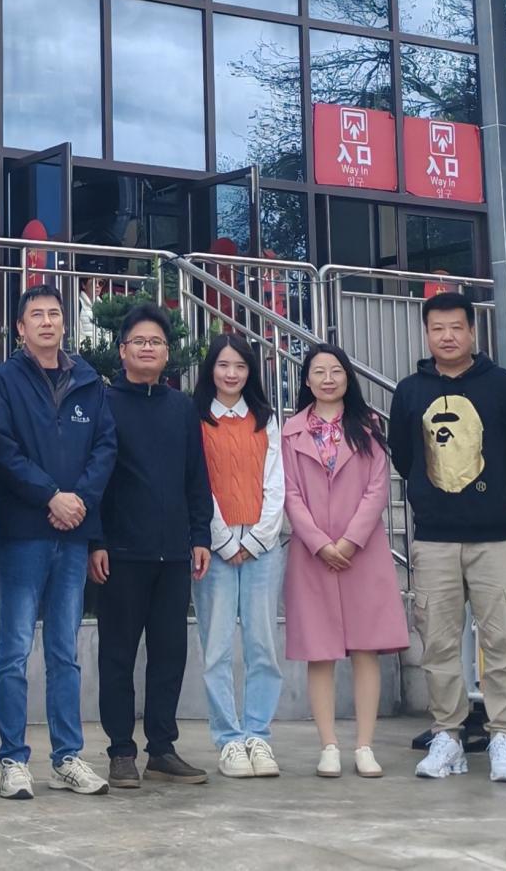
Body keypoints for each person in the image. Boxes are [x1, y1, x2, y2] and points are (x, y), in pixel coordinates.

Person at [387, 292, 506, 785]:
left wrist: (499, 500)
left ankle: (503, 737)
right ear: (426, 334)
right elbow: (403, 455)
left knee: (501, 640)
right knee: (438, 643)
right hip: (435, 539)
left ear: (472, 331)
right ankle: (448, 737)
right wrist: (432, 498)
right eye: (438, 329)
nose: (447, 337)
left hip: (494, 539)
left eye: (456, 327)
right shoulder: (410, 391)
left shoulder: (503, 387)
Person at [0, 283, 118, 799]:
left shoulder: (89, 380)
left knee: (66, 650)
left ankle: (67, 757)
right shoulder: (2, 380)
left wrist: (79, 500)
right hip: (23, 532)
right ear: (20, 328)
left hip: (74, 533)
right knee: (14, 649)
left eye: (54, 314)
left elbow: (105, 447)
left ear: (65, 323)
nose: (46, 322)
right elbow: (3, 450)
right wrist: (51, 497)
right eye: (36, 315)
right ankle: (12, 759)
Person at [91, 303, 213, 787]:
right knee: (117, 655)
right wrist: (96, 540)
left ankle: (162, 748)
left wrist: (200, 535)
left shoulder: (181, 408)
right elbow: (95, 479)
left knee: (169, 654)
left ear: (167, 353)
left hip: (174, 553)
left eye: (156, 342)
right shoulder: (104, 403)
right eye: (138, 341)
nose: (147, 348)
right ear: (122, 351)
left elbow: (196, 477)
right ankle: (121, 751)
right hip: (120, 553)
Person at [281, 343, 408, 782]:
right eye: (319, 371)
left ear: (348, 377)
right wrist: (319, 543)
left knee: (366, 649)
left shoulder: (368, 426)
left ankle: (365, 746)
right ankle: (329, 746)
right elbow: (290, 493)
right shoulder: (291, 431)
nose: (328, 379)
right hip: (312, 555)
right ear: (306, 380)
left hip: (363, 553)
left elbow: (377, 488)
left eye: (336, 371)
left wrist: (351, 541)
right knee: (320, 651)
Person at [191, 332, 287, 780]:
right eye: (223, 365)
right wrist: (225, 541)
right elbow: (199, 483)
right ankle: (228, 739)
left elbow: (275, 483)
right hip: (214, 547)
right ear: (210, 369)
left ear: (251, 372)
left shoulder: (265, 419)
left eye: (240, 366)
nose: (231, 374)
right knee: (215, 648)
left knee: (262, 645)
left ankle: (258, 734)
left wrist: (258, 539)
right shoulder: (197, 418)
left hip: (262, 548)